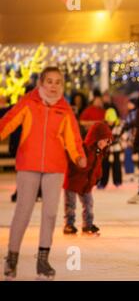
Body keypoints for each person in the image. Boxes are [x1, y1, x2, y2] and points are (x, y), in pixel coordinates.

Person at [0, 67, 86, 280]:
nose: (53, 85)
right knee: (23, 211)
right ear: (41, 83)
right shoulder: (29, 103)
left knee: (49, 214)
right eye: (49, 81)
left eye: (58, 82)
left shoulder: (65, 110)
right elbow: (8, 122)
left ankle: (43, 261)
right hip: (28, 165)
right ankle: (12, 257)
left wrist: (78, 156)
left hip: (54, 168)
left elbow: (72, 139)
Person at [63, 122, 112, 236]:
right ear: (96, 138)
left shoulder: (99, 153)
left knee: (89, 204)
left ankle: (87, 225)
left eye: (108, 141)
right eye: (104, 140)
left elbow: (97, 167)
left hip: (86, 183)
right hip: (73, 180)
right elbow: (71, 157)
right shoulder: (83, 149)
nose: (105, 144)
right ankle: (69, 225)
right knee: (70, 204)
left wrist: (98, 177)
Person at [98, 108, 124, 189]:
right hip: (106, 149)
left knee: (117, 166)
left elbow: (120, 136)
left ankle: (117, 182)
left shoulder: (119, 126)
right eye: (109, 120)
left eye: (112, 120)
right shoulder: (103, 126)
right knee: (104, 166)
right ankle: (103, 182)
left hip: (116, 149)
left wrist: (113, 141)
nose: (110, 122)